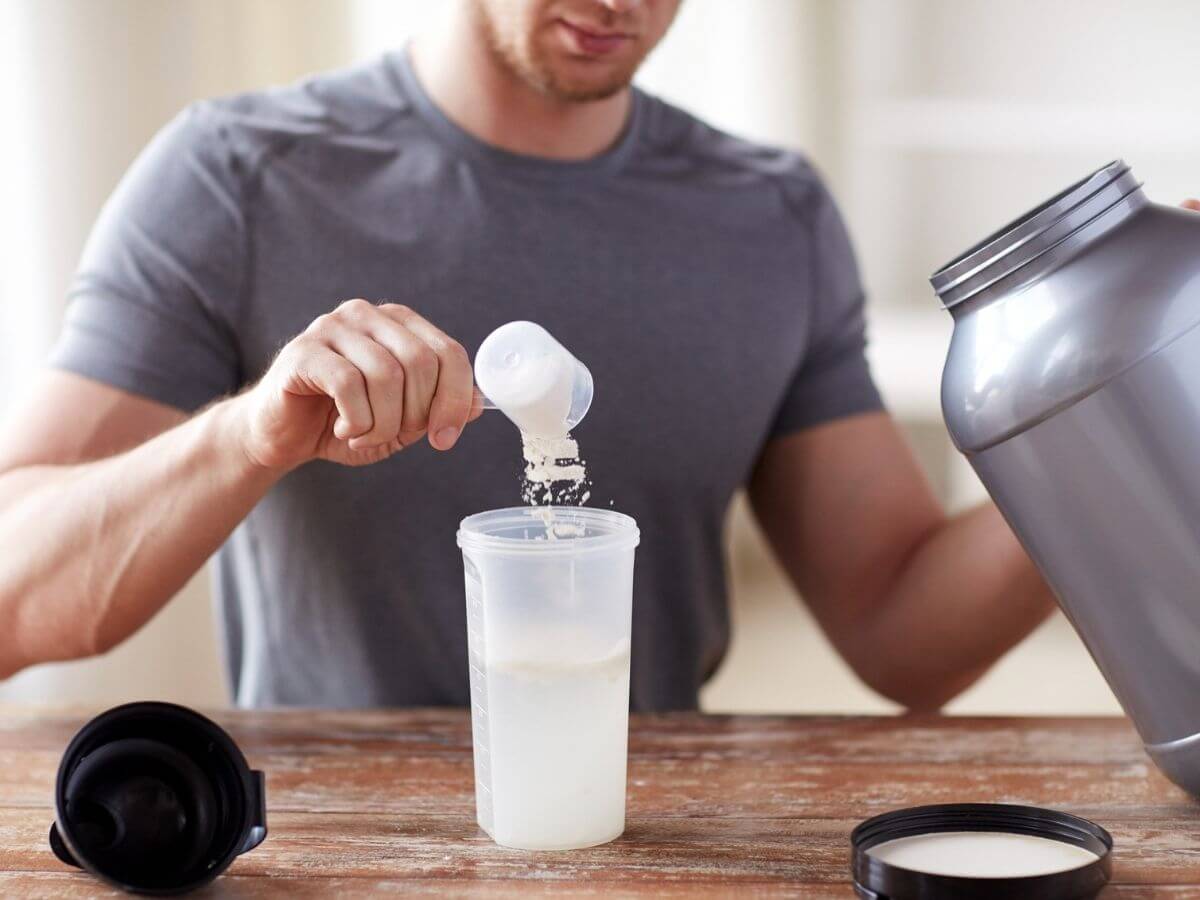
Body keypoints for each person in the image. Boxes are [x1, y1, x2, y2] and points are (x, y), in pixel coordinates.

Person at [0, 0, 1060, 710]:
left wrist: (1100, 427)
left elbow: (903, 633)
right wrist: (247, 435)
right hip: (335, 847)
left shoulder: (770, 219)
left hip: (648, 844)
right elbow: (11, 600)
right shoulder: (238, 179)